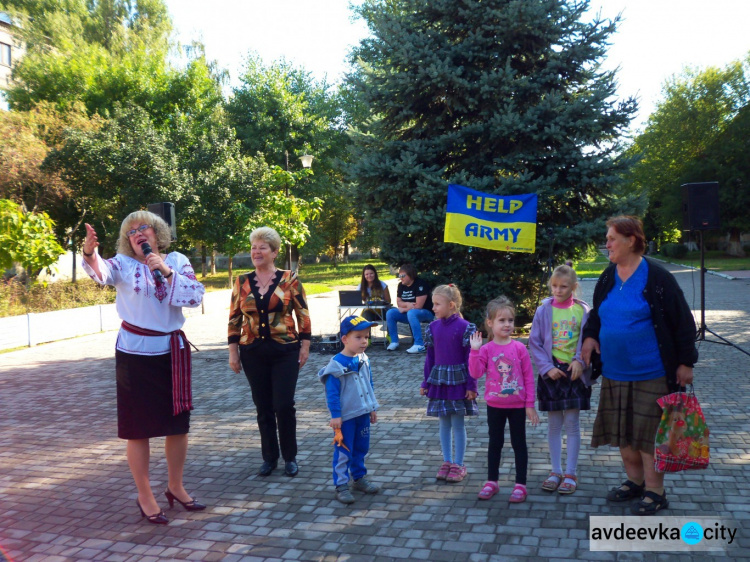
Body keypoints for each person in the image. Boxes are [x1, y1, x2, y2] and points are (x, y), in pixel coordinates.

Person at [81, 211, 206, 525]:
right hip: (134, 355)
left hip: (172, 353)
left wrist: (164, 270)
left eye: (143, 228)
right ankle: (145, 495)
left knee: (178, 425)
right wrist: (89, 252)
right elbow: (100, 273)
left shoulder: (177, 260)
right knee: (139, 429)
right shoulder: (123, 265)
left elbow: (195, 296)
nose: (138, 234)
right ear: (128, 241)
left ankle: (175, 486)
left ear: (157, 233)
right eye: (131, 231)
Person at [581, 215, 698, 515]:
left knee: (647, 437)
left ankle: (655, 491)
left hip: (651, 372)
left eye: (611, 238)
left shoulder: (658, 278)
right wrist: (591, 337)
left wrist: (686, 362)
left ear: (631, 240)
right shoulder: (608, 276)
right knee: (624, 433)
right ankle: (634, 482)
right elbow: (597, 313)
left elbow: (683, 322)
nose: (606, 243)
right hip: (615, 371)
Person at [228, 227, 311, 478]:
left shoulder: (290, 279)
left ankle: (290, 457)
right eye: (254, 247)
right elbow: (234, 318)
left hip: (285, 349)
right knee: (263, 406)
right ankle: (269, 457)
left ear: (274, 252)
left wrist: (305, 347)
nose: (256, 251)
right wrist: (233, 352)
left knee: (283, 405)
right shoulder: (242, 281)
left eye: (262, 247)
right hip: (252, 351)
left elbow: (303, 315)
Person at [529, 264, 592, 495]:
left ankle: (570, 473)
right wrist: (546, 367)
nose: (557, 290)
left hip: (574, 373)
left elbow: (587, 341)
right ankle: (555, 471)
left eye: (563, 287)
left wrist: (580, 361)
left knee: (573, 426)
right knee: (554, 425)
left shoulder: (583, 311)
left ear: (574, 287)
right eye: (554, 286)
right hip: (551, 374)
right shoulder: (543, 310)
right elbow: (534, 342)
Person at [469, 296, 539, 502]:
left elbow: (528, 378)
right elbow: (475, 373)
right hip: (495, 405)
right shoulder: (486, 349)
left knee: (519, 444)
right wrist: (474, 350)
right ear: (490, 323)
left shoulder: (519, 348)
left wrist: (529, 405)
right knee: (495, 443)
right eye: (502, 320)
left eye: (510, 320)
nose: (507, 324)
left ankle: (520, 484)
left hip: (517, 406)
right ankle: (492, 481)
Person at [318, 315, 380, 504]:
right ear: (345, 339)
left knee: (361, 448)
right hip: (345, 418)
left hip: (362, 413)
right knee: (344, 450)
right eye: (358, 337)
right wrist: (335, 415)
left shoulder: (363, 359)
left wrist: (371, 407)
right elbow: (332, 394)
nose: (364, 341)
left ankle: (359, 478)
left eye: (366, 337)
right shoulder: (336, 366)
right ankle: (341, 485)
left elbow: (368, 384)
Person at [421, 284, 477, 483]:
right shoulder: (433, 328)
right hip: (439, 382)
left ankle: (459, 464)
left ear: (451, 305)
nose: (433, 308)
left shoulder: (465, 328)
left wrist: (472, 386)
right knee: (443, 423)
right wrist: (425, 382)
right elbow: (430, 357)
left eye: (437, 304)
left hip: (459, 382)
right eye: (433, 304)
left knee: (458, 424)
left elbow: (472, 359)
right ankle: (447, 461)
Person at [385, 263, 434, 353]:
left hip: (425, 313)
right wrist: (408, 304)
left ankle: (419, 344)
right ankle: (394, 341)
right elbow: (399, 303)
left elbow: (418, 306)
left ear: (410, 275)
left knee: (412, 312)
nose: (401, 278)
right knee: (390, 313)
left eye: (403, 275)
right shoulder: (401, 285)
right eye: (400, 275)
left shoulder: (420, 284)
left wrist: (404, 308)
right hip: (410, 313)